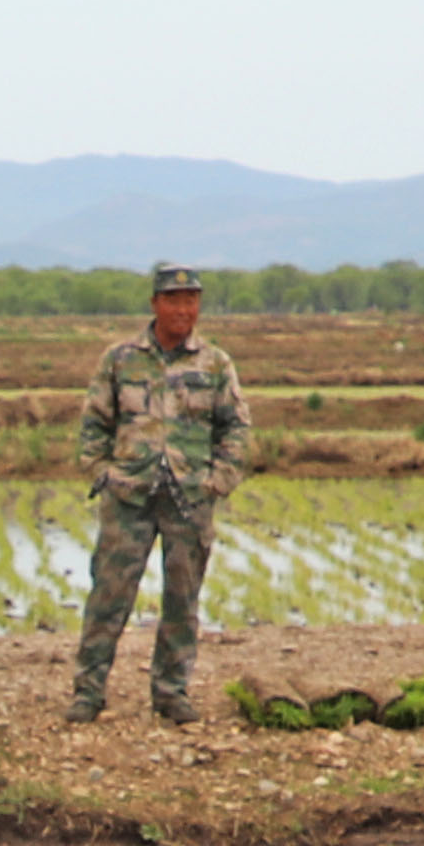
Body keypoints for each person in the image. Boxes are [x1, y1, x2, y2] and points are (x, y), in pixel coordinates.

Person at [68, 263, 253, 725]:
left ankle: (171, 693)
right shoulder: (120, 359)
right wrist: (103, 474)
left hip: (189, 499)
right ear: (154, 304)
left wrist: (217, 481)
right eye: (173, 299)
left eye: (191, 300)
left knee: (182, 601)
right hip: (129, 494)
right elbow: (94, 424)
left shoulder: (214, 364)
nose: (183, 309)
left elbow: (236, 429)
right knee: (109, 597)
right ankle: (88, 691)